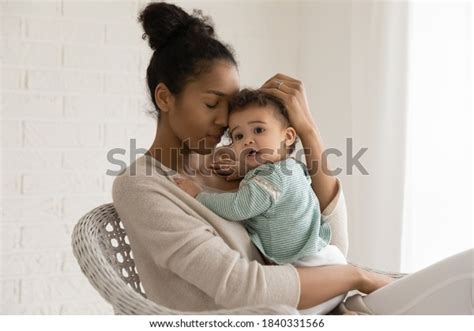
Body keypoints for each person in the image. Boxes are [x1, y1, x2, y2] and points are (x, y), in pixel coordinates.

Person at [112, 2, 473, 314]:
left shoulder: (236, 163)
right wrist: (355, 276)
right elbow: (243, 289)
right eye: (211, 104)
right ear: (164, 98)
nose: (225, 122)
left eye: (231, 106)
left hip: (327, 308)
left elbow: (329, 244)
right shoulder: (142, 187)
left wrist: (307, 131)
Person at [173, 88, 349, 314]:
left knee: (280, 312)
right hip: (326, 261)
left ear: (287, 136)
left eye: (258, 129)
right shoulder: (292, 168)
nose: (248, 140)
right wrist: (242, 172)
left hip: (309, 266)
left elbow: (238, 207)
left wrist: (199, 195)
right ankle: (338, 310)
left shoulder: (270, 178)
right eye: (238, 136)